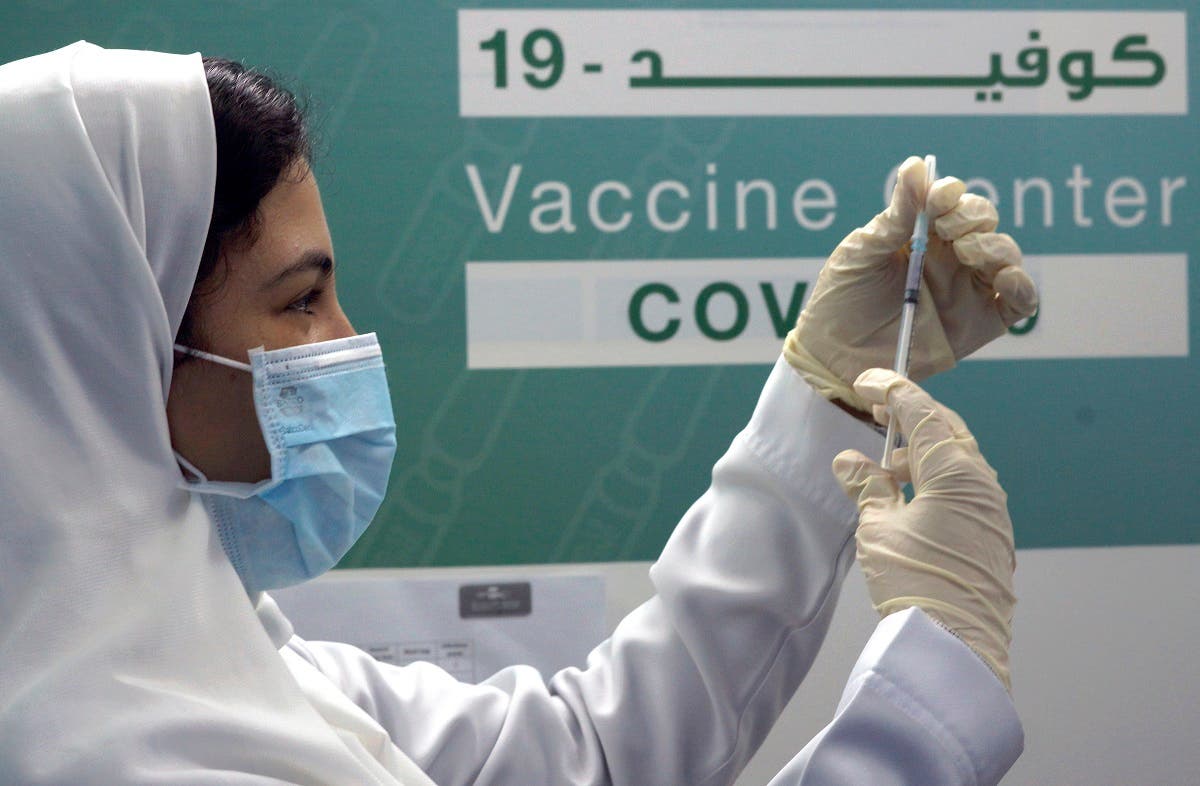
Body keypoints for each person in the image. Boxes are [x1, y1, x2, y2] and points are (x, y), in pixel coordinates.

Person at [0, 42, 1036, 785]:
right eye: (301, 300)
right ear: (106, 354)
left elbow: (590, 752)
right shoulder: (116, 748)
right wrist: (930, 686)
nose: (350, 339)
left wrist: (827, 393)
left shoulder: (225, 660)